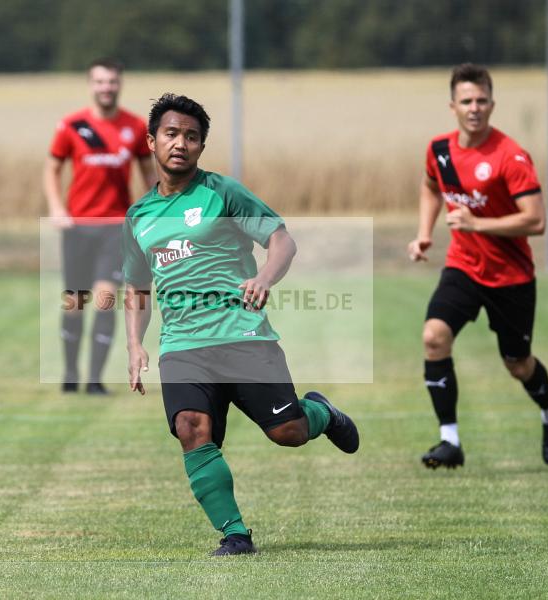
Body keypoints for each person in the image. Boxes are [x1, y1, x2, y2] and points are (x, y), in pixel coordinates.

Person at [122, 93, 360, 556]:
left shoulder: (223, 193)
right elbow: (137, 287)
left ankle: (320, 413)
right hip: (183, 344)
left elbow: (281, 240)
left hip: (241, 332)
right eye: (172, 134)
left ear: (200, 147)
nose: (181, 144)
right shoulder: (138, 217)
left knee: (286, 432)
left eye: (192, 137)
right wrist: (135, 345)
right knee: (191, 428)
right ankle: (235, 534)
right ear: (152, 141)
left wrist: (265, 277)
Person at [408, 63, 548, 469]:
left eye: (481, 100)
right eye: (466, 101)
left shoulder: (510, 156)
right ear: (452, 106)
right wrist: (424, 231)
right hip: (463, 266)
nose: (474, 107)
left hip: (510, 278)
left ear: (492, 104)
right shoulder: (439, 151)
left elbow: (536, 220)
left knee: (518, 365)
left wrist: (478, 223)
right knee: (433, 337)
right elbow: (430, 187)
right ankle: (450, 441)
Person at [43, 58, 156, 394]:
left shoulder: (135, 127)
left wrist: (153, 209)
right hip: (78, 226)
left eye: (112, 82)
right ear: (91, 84)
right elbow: (51, 169)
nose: (106, 87)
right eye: (100, 82)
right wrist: (56, 207)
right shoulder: (72, 126)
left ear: (120, 84)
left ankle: (94, 379)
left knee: (106, 297)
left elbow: (148, 173)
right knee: (74, 302)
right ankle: (70, 372)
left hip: (115, 227)